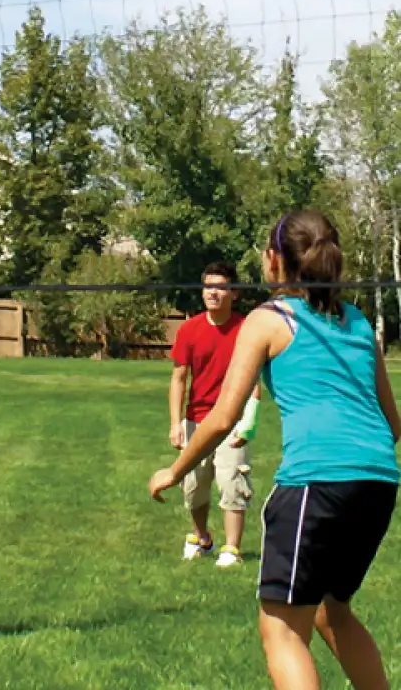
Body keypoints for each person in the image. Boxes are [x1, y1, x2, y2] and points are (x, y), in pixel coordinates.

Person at [151, 211, 401, 690]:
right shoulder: (357, 321)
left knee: (282, 629)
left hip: (316, 483)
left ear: (272, 261)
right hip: (379, 482)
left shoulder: (268, 318)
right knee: (333, 611)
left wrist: (174, 469)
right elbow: (392, 423)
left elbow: (223, 416)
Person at [168, 262, 261, 566]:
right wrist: (176, 424)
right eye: (208, 286)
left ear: (233, 293)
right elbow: (179, 379)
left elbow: (255, 382)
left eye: (220, 287)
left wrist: (247, 424)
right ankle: (202, 537)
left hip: (232, 420)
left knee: (233, 481)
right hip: (197, 420)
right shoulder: (189, 330)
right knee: (193, 486)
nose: (213, 293)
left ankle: (231, 549)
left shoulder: (246, 329)